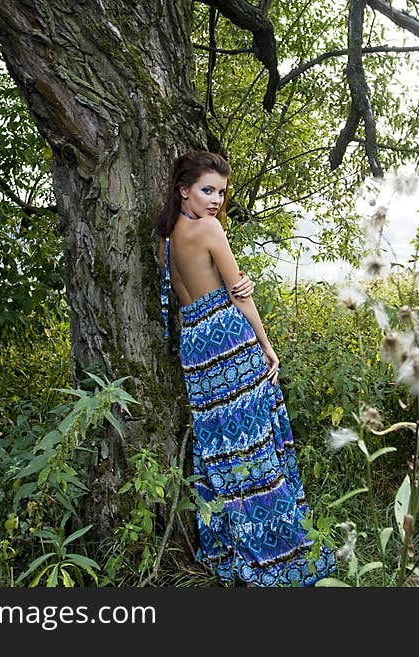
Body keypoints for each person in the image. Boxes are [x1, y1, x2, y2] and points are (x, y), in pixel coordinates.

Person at [156, 150, 336, 587]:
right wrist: (266, 344)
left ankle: (230, 546)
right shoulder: (209, 229)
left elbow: (182, 297)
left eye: (220, 191)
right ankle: (277, 551)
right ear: (185, 190)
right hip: (228, 341)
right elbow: (239, 294)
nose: (216, 199)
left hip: (195, 346)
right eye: (207, 190)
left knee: (221, 446)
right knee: (254, 444)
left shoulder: (163, 237)